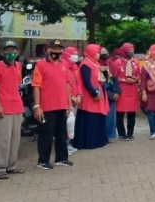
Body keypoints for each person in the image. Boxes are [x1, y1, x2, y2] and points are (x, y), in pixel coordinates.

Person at [32, 40, 74, 170]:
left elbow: (67, 85)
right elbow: (36, 86)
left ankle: (61, 158)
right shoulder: (41, 65)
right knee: (46, 134)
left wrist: (70, 104)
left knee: (61, 133)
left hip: (62, 105)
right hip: (47, 106)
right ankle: (43, 161)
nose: (57, 51)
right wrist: (37, 106)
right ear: (48, 50)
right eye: (54, 49)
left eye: (59, 49)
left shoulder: (64, 65)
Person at [0, 40, 25, 180]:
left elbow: (18, 85)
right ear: (2, 52)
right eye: (7, 50)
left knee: (16, 138)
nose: (11, 53)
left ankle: (11, 165)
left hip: (17, 106)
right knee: (3, 139)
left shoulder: (18, 66)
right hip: (4, 106)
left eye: (13, 50)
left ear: (18, 52)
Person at [74, 44, 109, 149]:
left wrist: (105, 71)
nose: (99, 54)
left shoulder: (97, 64)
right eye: (97, 52)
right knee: (91, 119)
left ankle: (99, 142)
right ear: (92, 52)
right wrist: (95, 93)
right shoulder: (86, 64)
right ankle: (89, 143)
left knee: (98, 118)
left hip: (100, 94)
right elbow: (86, 82)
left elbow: (105, 79)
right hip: (90, 96)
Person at [115, 43, 140, 140]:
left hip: (132, 90)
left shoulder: (136, 62)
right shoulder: (118, 62)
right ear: (124, 51)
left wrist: (135, 79)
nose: (131, 52)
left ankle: (130, 133)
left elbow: (138, 74)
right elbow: (114, 77)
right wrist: (124, 80)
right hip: (122, 90)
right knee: (120, 113)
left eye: (132, 50)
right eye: (129, 50)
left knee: (131, 113)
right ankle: (122, 133)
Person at [62, 46, 82, 154]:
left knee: (71, 123)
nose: (75, 56)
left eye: (76, 54)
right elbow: (63, 85)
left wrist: (79, 95)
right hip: (66, 100)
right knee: (65, 124)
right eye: (73, 54)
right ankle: (64, 146)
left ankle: (69, 144)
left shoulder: (75, 67)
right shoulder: (63, 66)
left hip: (75, 100)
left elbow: (78, 83)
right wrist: (70, 97)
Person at [100, 47, 121, 143]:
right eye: (102, 52)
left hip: (111, 92)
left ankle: (111, 135)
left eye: (105, 51)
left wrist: (117, 92)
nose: (104, 53)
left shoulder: (111, 63)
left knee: (111, 116)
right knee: (102, 116)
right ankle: (102, 135)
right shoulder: (96, 64)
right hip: (101, 91)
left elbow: (115, 79)